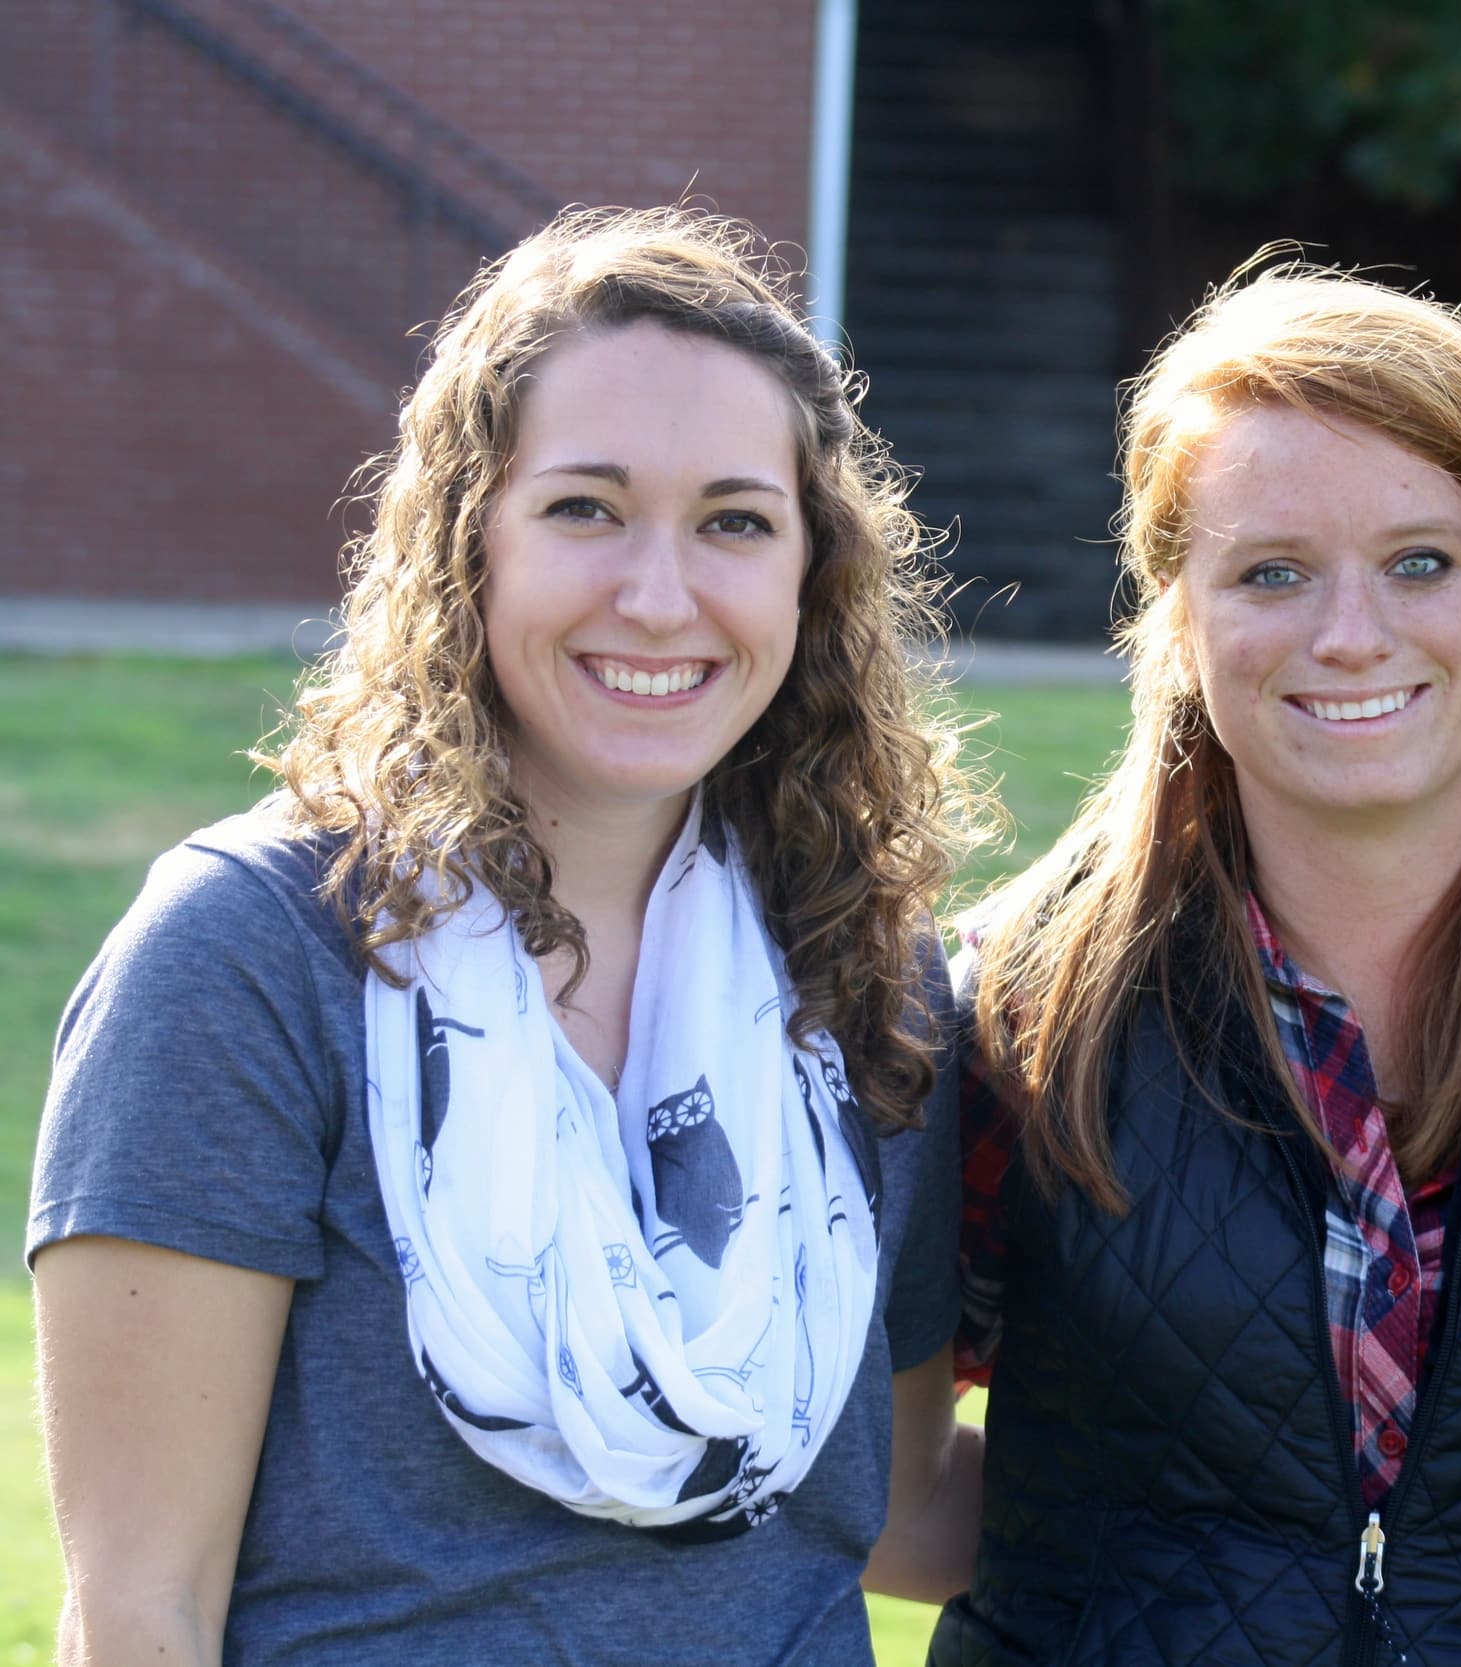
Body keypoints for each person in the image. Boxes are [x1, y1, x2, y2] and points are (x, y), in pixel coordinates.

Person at [29, 207, 983, 1665]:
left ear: (811, 572)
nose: (659, 597)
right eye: (584, 508)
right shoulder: (248, 962)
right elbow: (141, 1614)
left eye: (735, 520)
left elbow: (899, 1503)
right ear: (465, 541)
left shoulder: (868, 979)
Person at [933, 269, 1461, 1665]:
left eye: (1421, 562)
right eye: (1272, 572)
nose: (1350, 635)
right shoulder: (1016, 1008)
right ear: (1180, 616)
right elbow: (864, 1481)